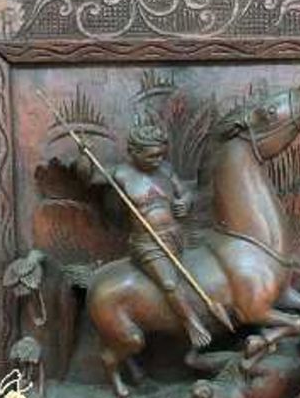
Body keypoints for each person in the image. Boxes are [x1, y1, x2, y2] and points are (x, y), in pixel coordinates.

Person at [78, 119, 212, 349]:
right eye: (152, 156)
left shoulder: (166, 170)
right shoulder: (120, 174)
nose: (158, 160)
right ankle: (191, 323)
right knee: (169, 283)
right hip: (148, 243)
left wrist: (185, 202)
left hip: (176, 235)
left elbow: (185, 192)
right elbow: (89, 177)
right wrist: (84, 155)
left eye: (161, 155)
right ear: (134, 152)